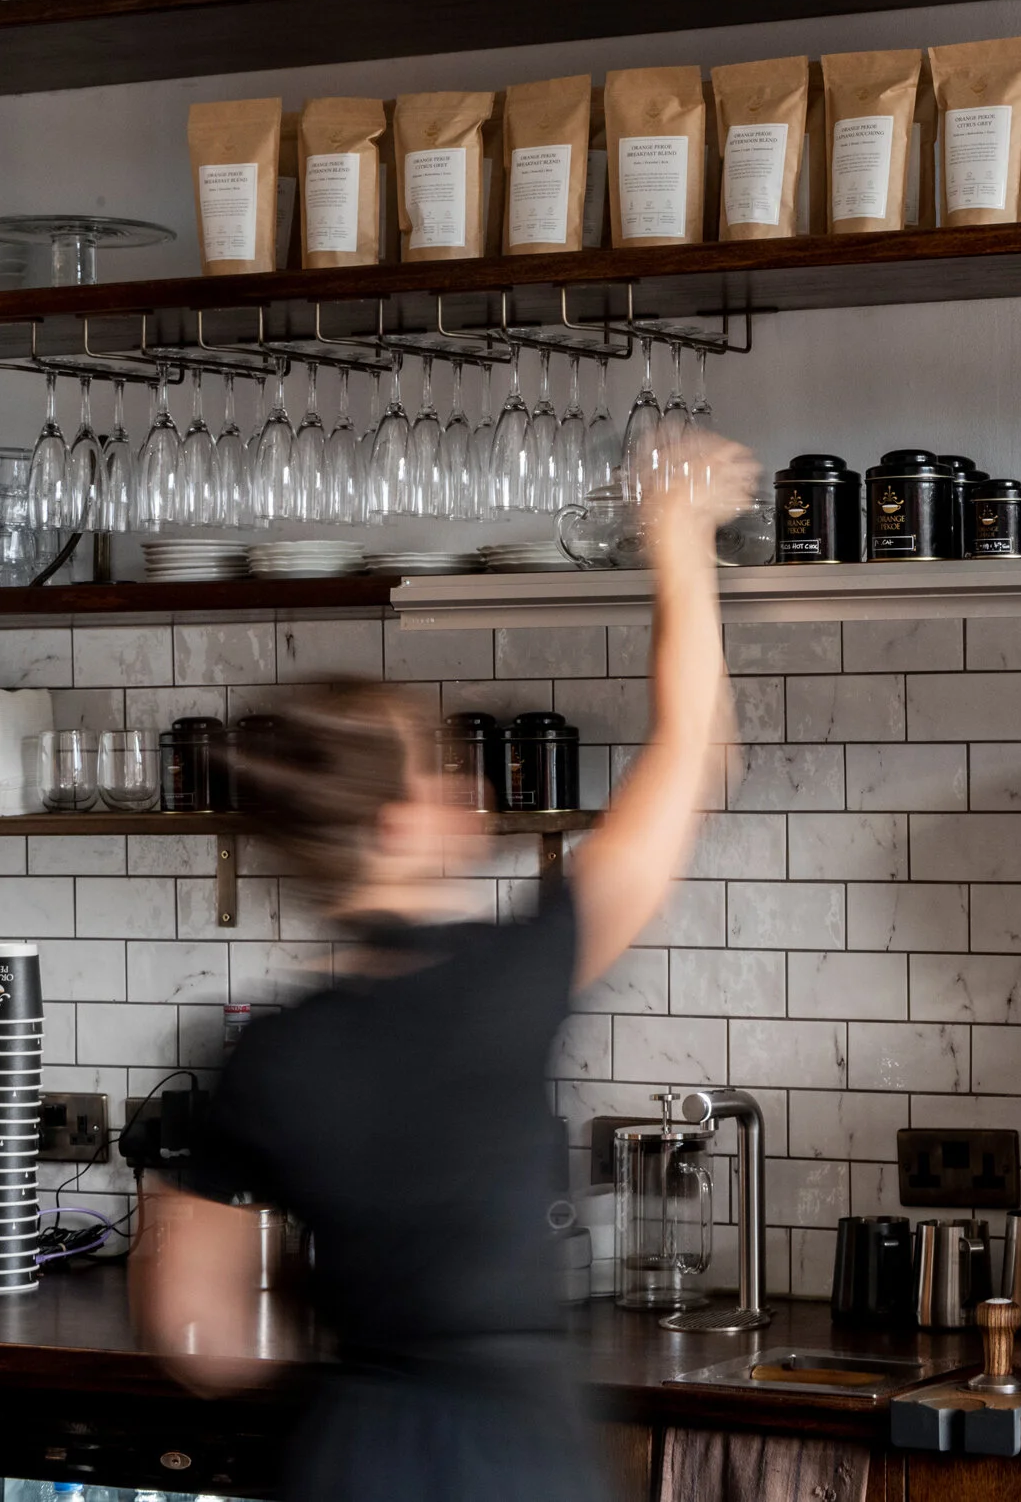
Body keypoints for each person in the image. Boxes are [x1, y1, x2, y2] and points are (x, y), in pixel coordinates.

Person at [132, 432, 758, 1502]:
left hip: (353, 1449)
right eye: (442, 769)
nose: (470, 788)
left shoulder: (266, 1052)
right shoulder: (508, 979)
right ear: (393, 826)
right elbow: (690, 752)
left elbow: (204, 1337)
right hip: (506, 1453)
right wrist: (679, 538)